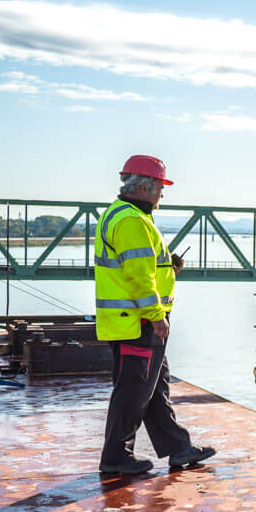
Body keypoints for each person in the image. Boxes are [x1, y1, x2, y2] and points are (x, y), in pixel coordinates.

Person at [94, 155, 215, 474]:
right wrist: (156, 315)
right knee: (134, 390)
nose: (162, 193)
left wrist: (169, 266)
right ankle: (115, 456)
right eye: (160, 187)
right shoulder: (132, 221)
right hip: (139, 322)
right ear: (145, 187)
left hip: (135, 320)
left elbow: (142, 267)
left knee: (154, 388)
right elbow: (138, 276)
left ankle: (178, 448)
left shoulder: (125, 215)